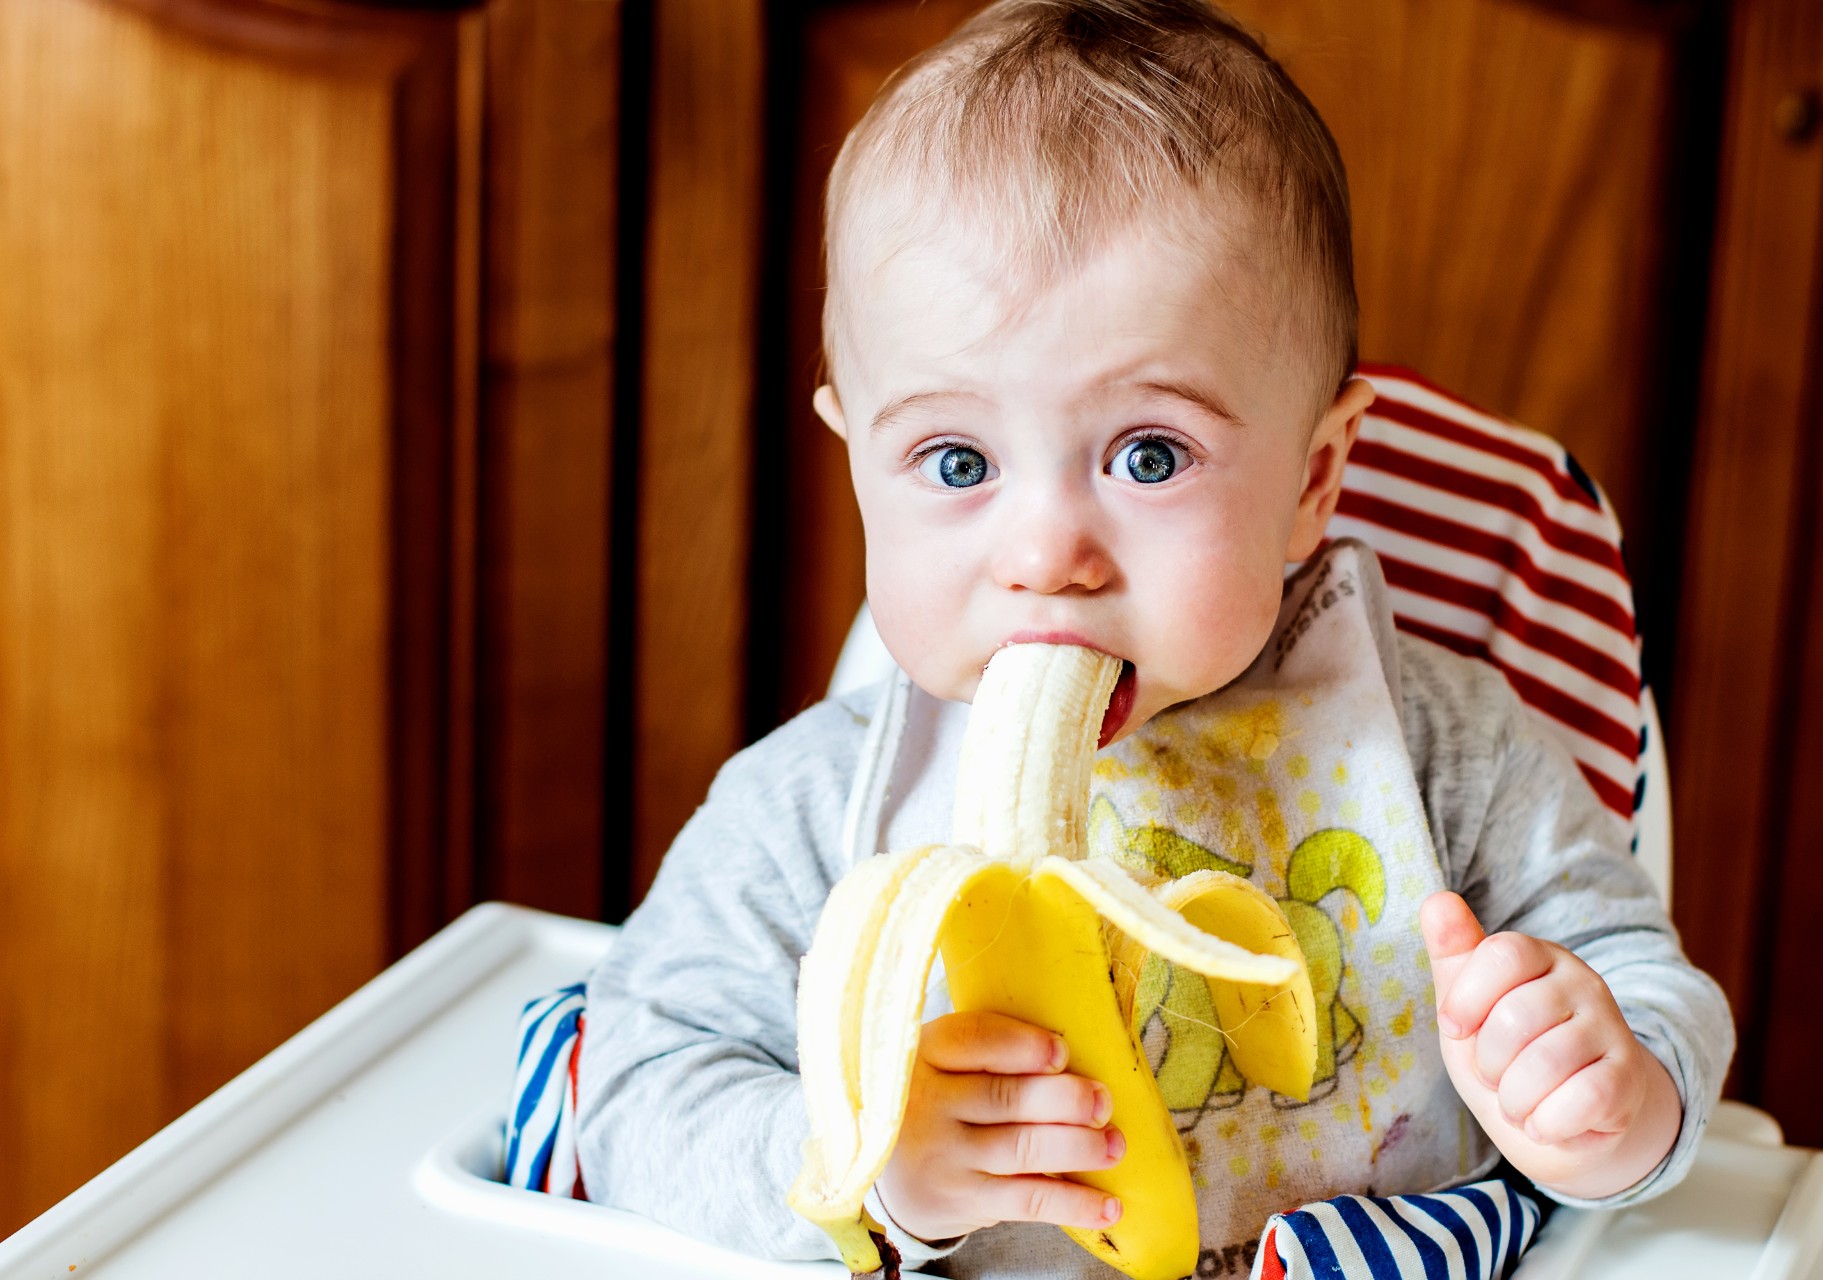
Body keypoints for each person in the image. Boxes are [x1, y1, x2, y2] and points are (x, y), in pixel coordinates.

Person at [576, 2, 1734, 1276]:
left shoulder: (1440, 753)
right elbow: (635, 1092)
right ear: (857, 463)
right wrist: (864, 1165)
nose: (1045, 552)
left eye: (1148, 454)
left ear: (1312, 475)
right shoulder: (816, 810)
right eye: (956, 458)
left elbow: (1641, 977)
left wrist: (1609, 1096)